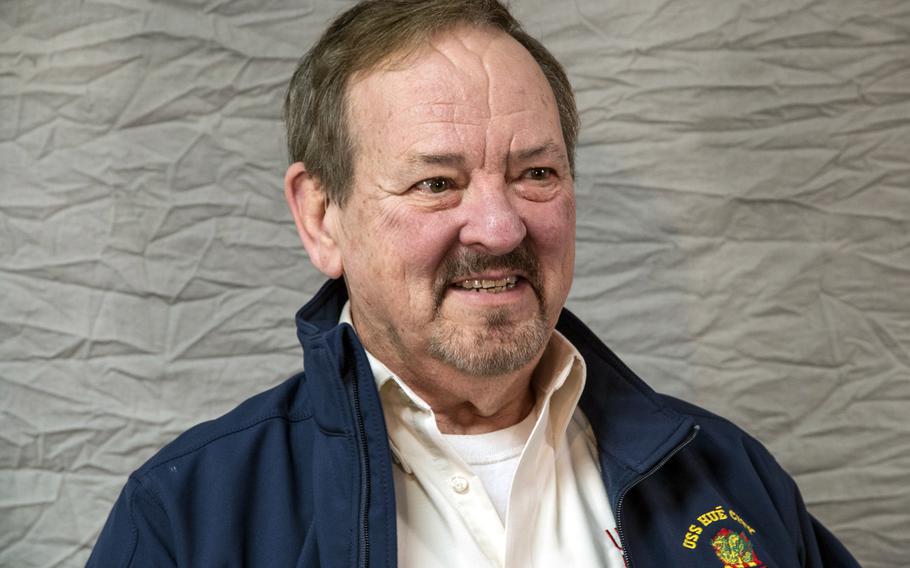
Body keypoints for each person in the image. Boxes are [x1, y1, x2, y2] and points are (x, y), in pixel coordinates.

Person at [88, 1, 859, 566]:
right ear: (322, 218)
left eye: (536, 174)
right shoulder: (186, 519)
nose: (501, 227)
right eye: (435, 182)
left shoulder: (726, 473)